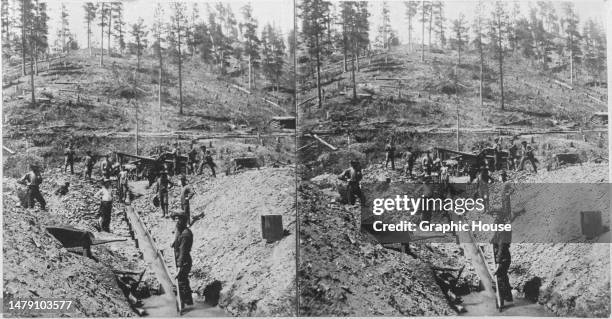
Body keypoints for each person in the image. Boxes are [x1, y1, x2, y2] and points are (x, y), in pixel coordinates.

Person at [492, 213, 513, 308]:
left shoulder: (502, 232)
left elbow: (501, 247)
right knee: (503, 276)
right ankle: (508, 297)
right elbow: (496, 238)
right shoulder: (504, 229)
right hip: (505, 257)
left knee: (499, 278)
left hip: (503, 258)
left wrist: (498, 263)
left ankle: (501, 302)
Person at [172, 214, 194, 307]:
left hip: (184, 261)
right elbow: (178, 239)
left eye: (179, 219)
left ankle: (184, 305)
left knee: (181, 282)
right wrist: (174, 242)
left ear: (184, 221)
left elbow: (183, 252)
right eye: (176, 219)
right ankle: (188, 302)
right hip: (182, 260)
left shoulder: (185, 234)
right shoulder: (182, 231)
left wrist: (179, 267)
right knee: (184, 281)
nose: (177, 221)